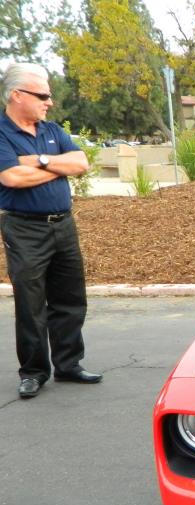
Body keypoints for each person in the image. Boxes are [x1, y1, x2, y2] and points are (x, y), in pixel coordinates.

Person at [0, 63, 98, 399]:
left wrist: (37, 161)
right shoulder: (1, 133)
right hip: (24, 228)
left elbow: (81, 164)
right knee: (30, 303)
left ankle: (69, 365)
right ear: (17, 95)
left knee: (70, 298)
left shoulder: (52, 129)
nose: (49, 102)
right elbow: (11, 178)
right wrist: (59, 166)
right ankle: (34, 371)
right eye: (42, 95)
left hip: (63, 224)